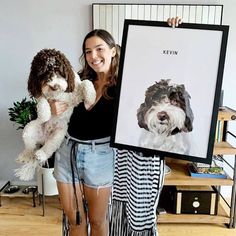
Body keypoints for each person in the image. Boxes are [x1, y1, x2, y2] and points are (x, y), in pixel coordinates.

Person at [51, 16, 182, 236]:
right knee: (74, 220)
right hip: (67, 152)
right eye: (88, 51)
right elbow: (55, 101)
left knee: (98, 221)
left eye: (99, 49)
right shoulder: (79, 80)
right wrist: (54, 108)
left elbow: (163, 67)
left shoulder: (129, 82)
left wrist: (172, 33)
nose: (93, 56)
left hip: (101, 155)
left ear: (113, 50)